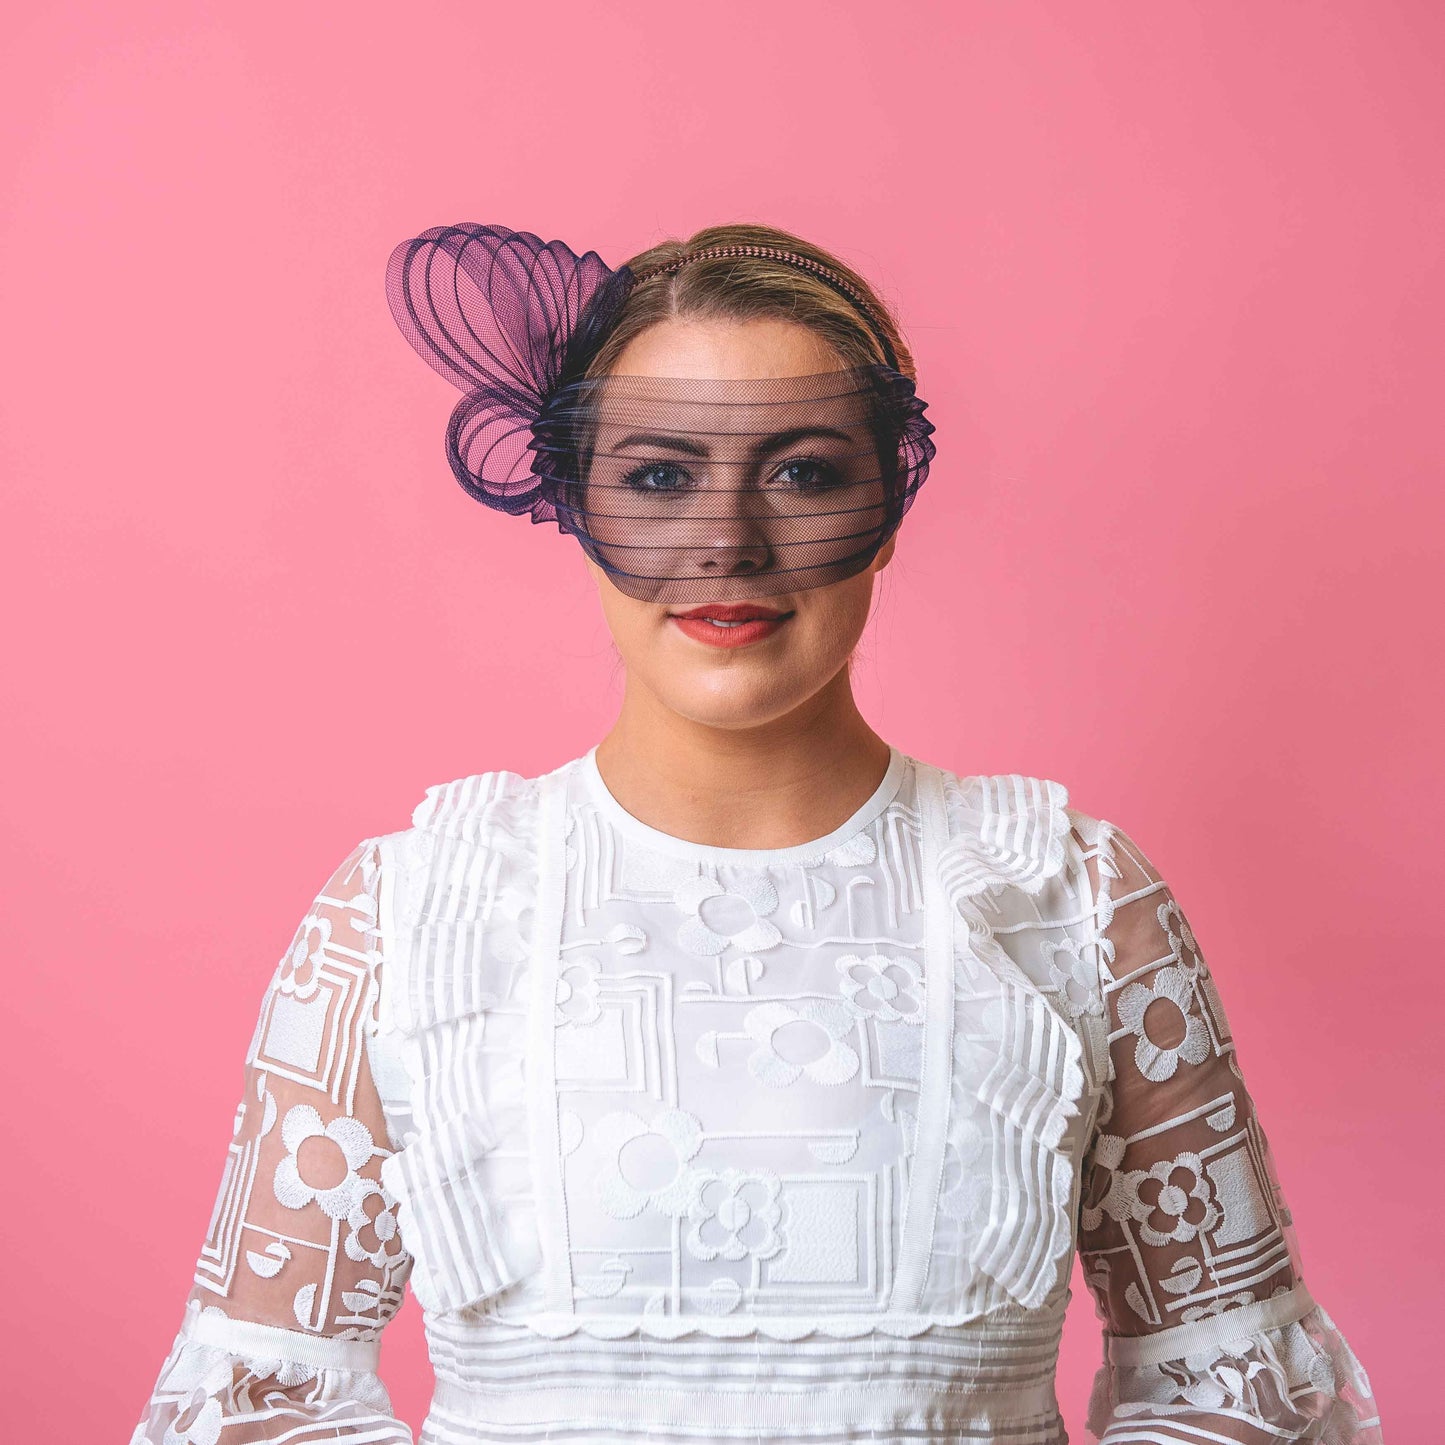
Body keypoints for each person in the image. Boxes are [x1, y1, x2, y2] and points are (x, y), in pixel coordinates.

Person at [132, 221, 1383, 1444]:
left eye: (801, 471)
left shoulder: (1068, 898)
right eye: (659, 475)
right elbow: (265, 1401)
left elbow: (1229, 1390)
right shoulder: (411, 912)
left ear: (889, 503)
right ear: (572, 499)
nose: (724, 543)